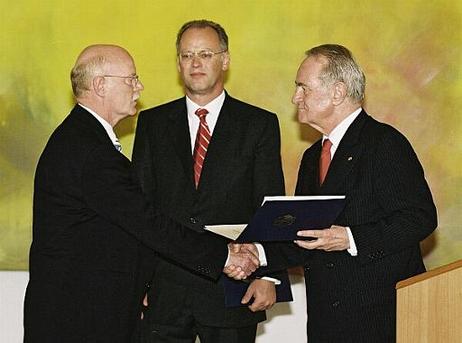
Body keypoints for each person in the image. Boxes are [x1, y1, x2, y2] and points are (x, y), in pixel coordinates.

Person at [23, 44, 259, 343]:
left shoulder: (83, 139)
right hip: (81, 320)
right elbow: (148, 222)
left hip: (85, 314)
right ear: (100, 85)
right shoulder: (91, 151)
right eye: (131, 79)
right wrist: (224, 255)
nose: (139, 87)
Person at [228, 44, 437, 342]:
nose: (294, 97)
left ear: (338, 92)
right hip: (328, 319)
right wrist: (257, 253)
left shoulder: (384, 143)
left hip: (380, 318)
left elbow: (420, 218)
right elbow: (305, 234)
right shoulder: (313, 156)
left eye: (303, 87)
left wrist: (350, 238)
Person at [132, 20, 287, 343]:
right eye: (187, 56)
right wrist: (137, 282)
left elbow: (269, 203)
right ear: (178, 64)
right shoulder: (152, 123)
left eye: (205, 53)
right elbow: (141, 206)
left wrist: (270, 276)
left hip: (233, 288)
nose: (196, 63)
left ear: (225, 60)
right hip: (166, 289)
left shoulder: (258, 124)